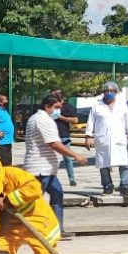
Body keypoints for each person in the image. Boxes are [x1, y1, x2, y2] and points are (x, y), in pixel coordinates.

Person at [25, 95, 89, 237]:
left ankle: (57, 229)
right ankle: (28, 229)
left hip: (47, 169)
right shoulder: (42, 120)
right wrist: (75, 156)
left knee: (57, 195)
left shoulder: (40, 118)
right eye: (57, 108)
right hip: (40, 169)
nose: (59, 111)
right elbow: (53, 143)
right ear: (47, 107)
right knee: (33, 202)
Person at [84, 81, 128, 202]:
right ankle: (107, 185)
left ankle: (125, 185)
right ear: (103, 92)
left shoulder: (122, 106)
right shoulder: (97, 106)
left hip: (119, 139)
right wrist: (88, 136)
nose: (109, 93)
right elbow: (90, 121)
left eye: (112, 91)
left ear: (116, 92)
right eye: (107, 90)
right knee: (103, 164)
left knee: (124, 163)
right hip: (103, 139)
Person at [50, 88, 79, 186]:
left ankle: (72, 179)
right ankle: (52, 179)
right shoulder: (51, 107)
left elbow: (75, 120)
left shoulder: (68, 107)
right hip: (52, 137)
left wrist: (61, 117)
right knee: (52, 159)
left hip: (64, 136)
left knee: (67, 159)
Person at [0, 94, 16, 166]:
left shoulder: (4, 111)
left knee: (8, 163)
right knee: (4, 165)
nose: (7, 101)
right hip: (1, 143)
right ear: (0, 102)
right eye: (6, 100)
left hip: (7, 142)